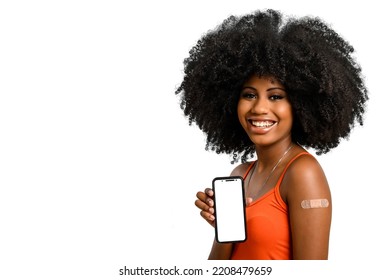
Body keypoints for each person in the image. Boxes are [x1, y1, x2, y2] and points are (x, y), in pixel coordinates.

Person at [175, 9, 368, 260]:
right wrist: (224, 228)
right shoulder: (240, 174)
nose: (259, 108)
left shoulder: (303, 173)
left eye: (275, 96)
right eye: (249, 95)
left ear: (300, 104)